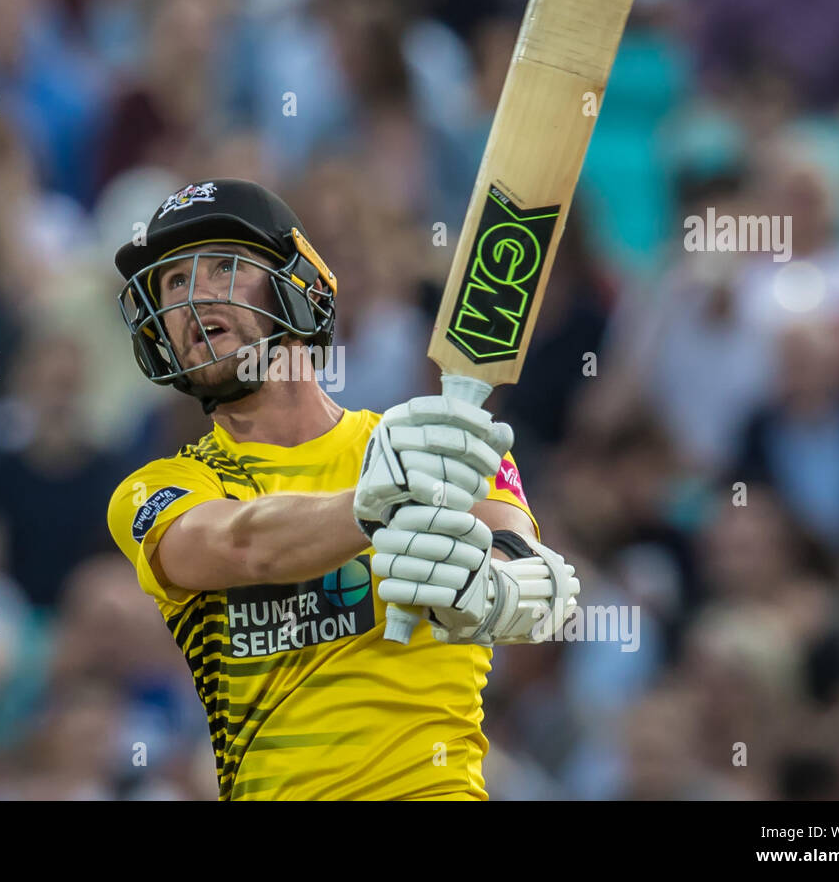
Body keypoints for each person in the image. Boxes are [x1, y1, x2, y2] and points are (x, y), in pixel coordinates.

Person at [106, 178, 578, 800]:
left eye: (222, 267)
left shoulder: (433, 444)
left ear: (300, 288)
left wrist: (496, 590)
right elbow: (244, 546)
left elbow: (526, 572)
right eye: (172, 284)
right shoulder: (156, 489)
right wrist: (372, 506)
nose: (192, 300)